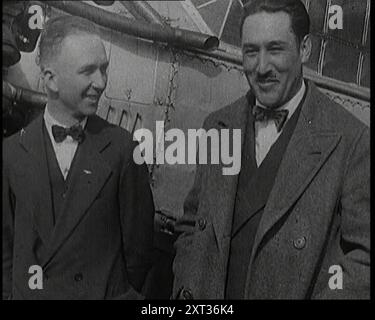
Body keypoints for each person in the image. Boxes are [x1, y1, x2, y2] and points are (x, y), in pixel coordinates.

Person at [172, 0, 370, 299]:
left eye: (275, 49)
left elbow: (363, 259)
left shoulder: (350, 141)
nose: (261, 67)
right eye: (251, 51)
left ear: (305, 49)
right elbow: (191, 227)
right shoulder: (217, 126)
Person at [3, 15, 155, 300]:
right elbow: (6, 253)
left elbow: (138, 252)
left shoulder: (124, 149)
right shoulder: (10, 154)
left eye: (104, 69)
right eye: (88, 71)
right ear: (51, 79)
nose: (100, 82)